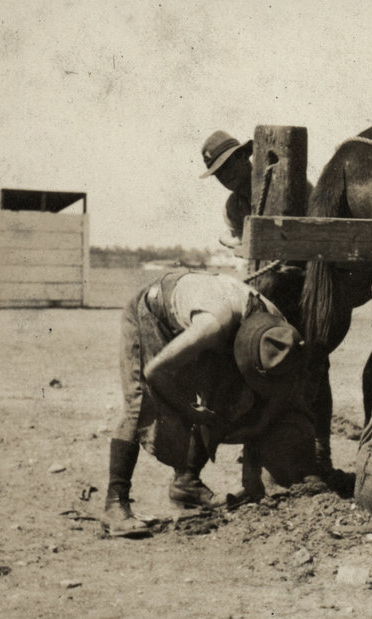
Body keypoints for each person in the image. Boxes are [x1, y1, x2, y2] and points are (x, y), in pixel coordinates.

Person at [102, 270, 314, 538]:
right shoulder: (213, 326)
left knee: (221, 391)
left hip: (204, 310)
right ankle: (115, 505)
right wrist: (188, 410)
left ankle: (187, 484)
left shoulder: (280, 332)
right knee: (140, 402)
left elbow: (278, 396)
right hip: (154, 309)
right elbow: (155, 371)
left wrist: (258, 433)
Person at [200, 130, 253, 249]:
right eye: (218, 173)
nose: (224, 175)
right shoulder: (232, 209)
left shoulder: (278, 182)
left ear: (243, 155)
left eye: (227, 165)